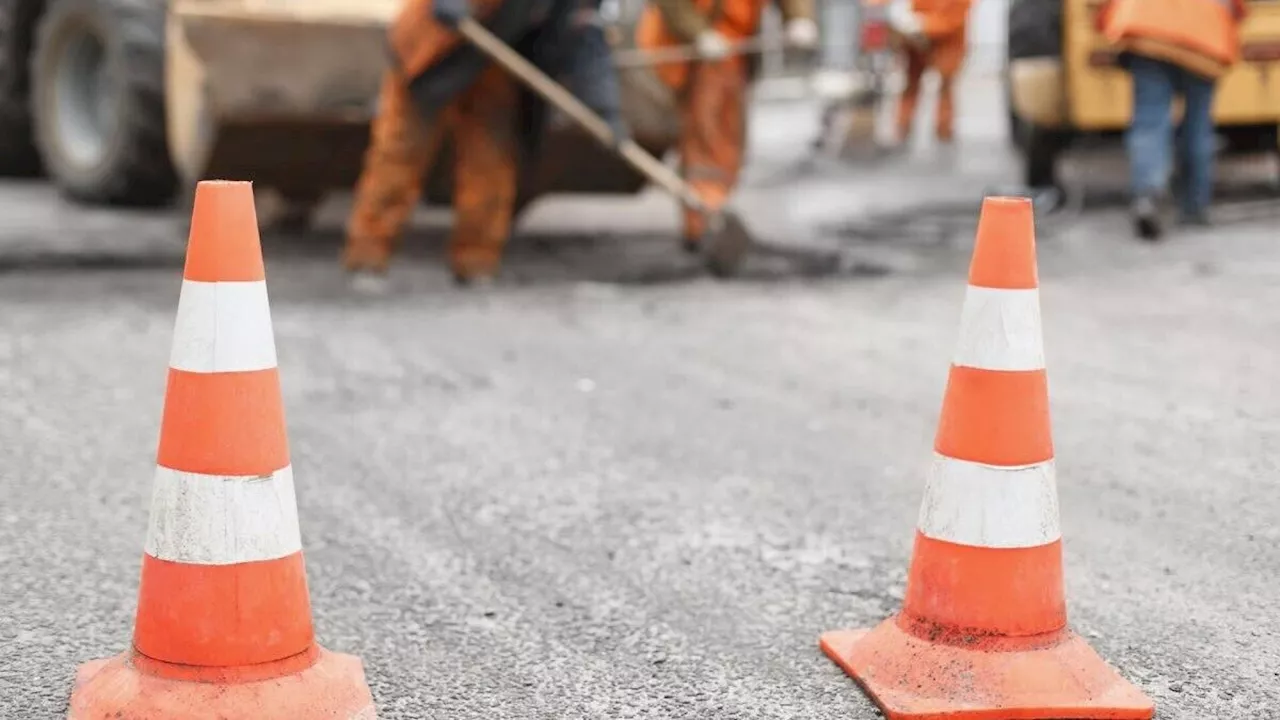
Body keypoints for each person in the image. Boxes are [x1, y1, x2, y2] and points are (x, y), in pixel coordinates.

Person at [342, 0, 624, 288]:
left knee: (490, 163)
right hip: (432, 48)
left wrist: (606, 113)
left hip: (490, 59)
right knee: (401, 157)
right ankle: (368, 258)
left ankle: (477, 263)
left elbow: (586, 42)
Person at [635, 0, 819, 252]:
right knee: (704, 140)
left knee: (728, 141)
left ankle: (713, 212)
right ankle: (701, 221)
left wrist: (800, 18)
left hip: (732, 53)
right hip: (691, 54)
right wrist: (699, 33)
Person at [1097, 0, 1248, 240]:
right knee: (1197, 125)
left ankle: (1148, 194)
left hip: (1148, 32)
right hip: (1204, 39)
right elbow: (1238, 9)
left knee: (1150, 121)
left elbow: (1106, 9)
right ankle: (1194, 206)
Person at [886, 0, 973, 146]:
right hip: (916, 41)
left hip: (947, 42)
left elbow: (953, 18)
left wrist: (922, 24)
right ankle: (903, 127)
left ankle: (944, 129)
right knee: (911, 84)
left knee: (945, 85)